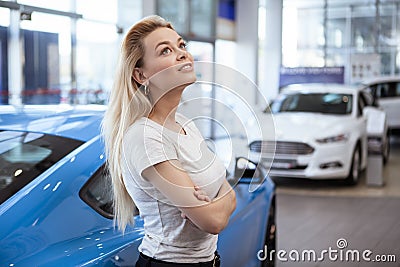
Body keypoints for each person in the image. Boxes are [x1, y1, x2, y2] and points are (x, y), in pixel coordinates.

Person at [102, 15, 236, 267]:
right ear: (141, 75)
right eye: (165, 50)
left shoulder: (185, 124)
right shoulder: (145, 137)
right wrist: (220, 198)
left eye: (181, 45)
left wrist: (220, 197)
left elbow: (227, 190)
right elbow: (213, 222)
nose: (182, 54)